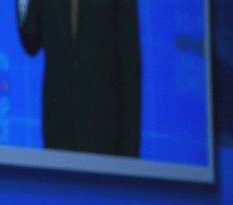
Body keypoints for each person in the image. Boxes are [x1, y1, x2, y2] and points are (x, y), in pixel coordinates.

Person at [17, 0, 141, 156]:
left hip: (105, 133)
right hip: (59, 132)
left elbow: (130, 68)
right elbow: (30, 39)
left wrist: (130, 154)